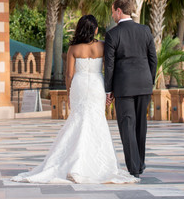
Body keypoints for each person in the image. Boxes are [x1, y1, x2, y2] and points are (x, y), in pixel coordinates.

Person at [12, 15, 138, 184]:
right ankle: (98, 164)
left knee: (77, 120)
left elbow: (69, 74)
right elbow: (109, 69)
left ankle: (71, 161)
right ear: (94, 30)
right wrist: (109, 91)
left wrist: (69, 92)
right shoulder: (102, 46)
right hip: (96, 85)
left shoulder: (74, 48)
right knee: (97, 120)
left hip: (78, 85)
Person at [104, 0, 157, 178]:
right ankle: (140, 164)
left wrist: (108, 90)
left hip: (124, 87)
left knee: (127, 126)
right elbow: (153, 59)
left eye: (113, 11)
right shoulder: (145, 30)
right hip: (144, 85)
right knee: (141, 126)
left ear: (119, 11)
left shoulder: (112, 34)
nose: (112, 15)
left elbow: (109, 65)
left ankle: (134, 168)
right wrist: (149, 81)